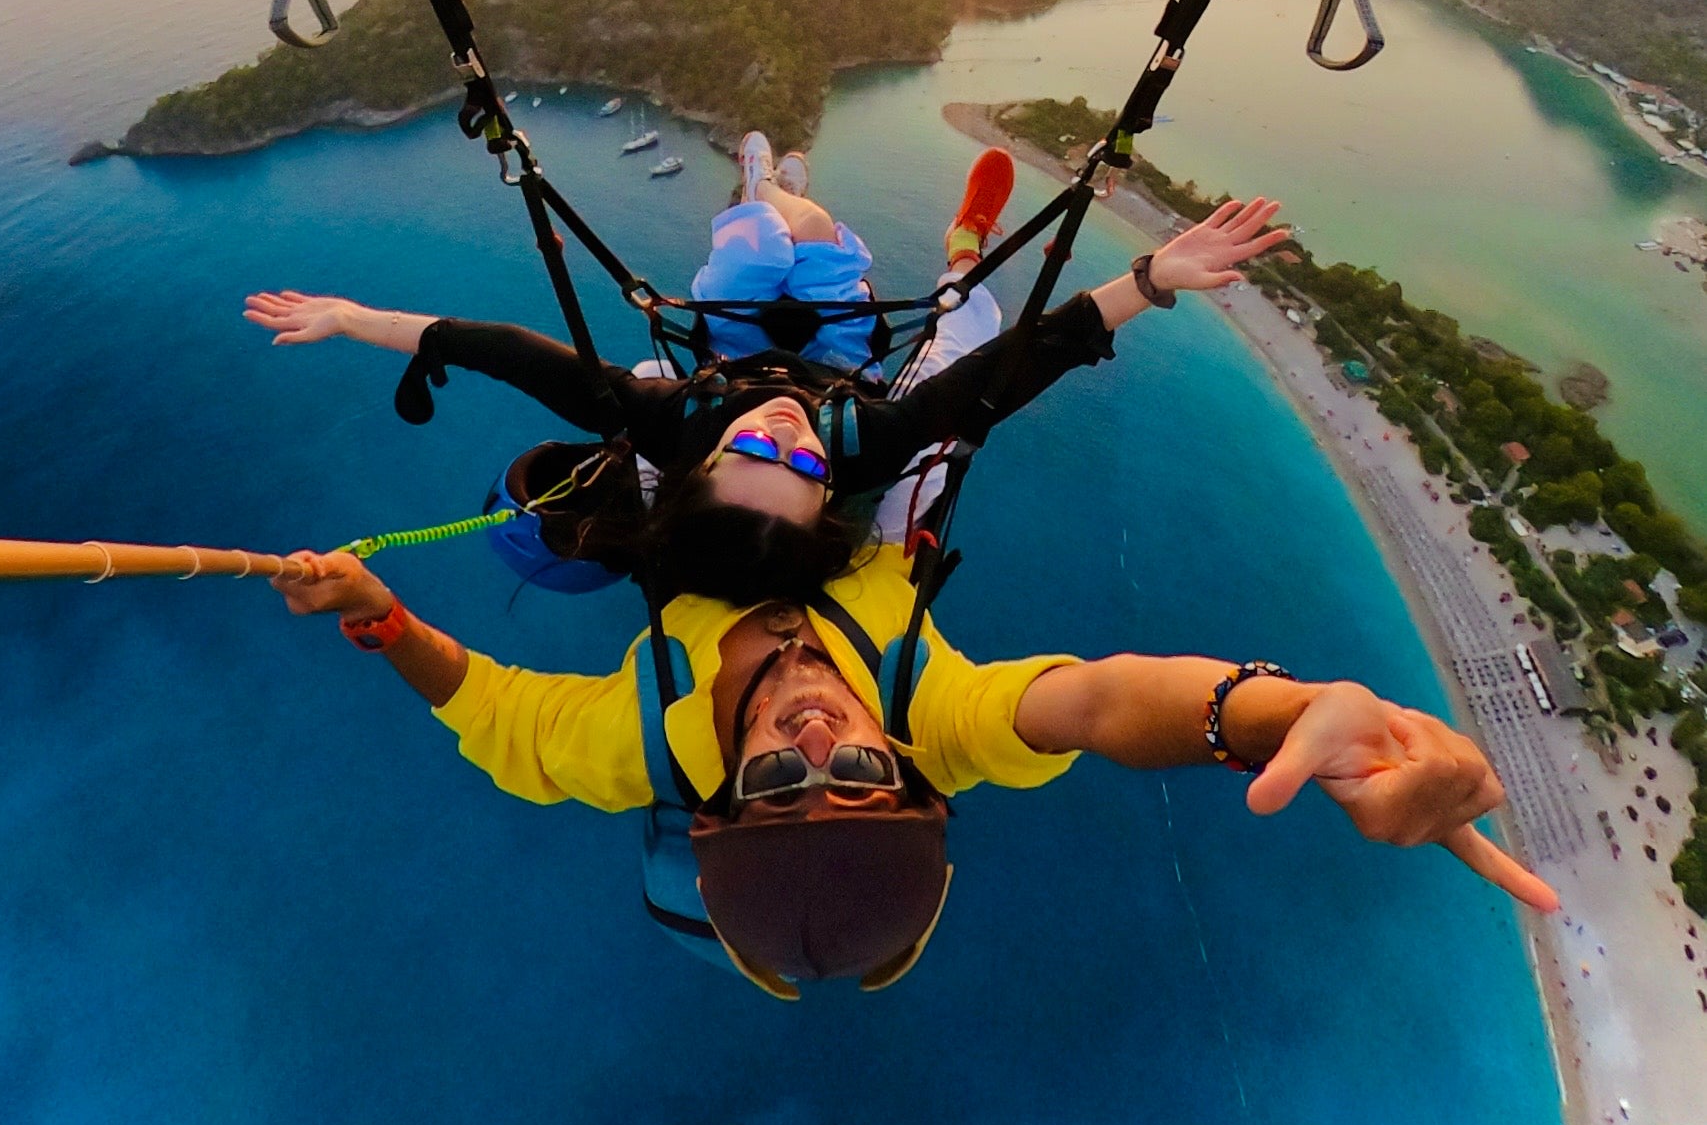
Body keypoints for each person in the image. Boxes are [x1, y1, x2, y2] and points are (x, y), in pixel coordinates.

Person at [271, 524, 1559, 998]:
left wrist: (372, 612)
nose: (822, 742)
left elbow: (489, 710)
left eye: (779, 786)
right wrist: (1285, 718)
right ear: (914, 773)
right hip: (857, 518)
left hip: (704, 531)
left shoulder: (637, 743)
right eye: (865, 778)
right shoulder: (931, 715)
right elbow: (1105, 707)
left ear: (714, 804)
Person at [245, 140, 1291, 599]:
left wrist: (354, 316)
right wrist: (1149, 278)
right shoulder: (857, 444)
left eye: (752, 448)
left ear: (702, 464)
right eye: (793, 468)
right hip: (846, 358)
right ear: (822, 490)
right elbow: (1010, 376)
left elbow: (515, 356)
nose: (783, 436)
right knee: (939, 306)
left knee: (754, 251)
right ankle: (958, 236)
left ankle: (761, 185)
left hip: (726, 348)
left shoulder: (670, 423)